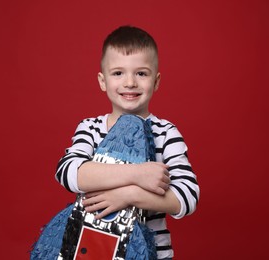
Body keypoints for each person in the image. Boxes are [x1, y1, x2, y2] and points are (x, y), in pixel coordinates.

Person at [55, 25, 199, 259]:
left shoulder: (166, 133)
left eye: (141, 73)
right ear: (102, 81)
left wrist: (129, 196)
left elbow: (187, 197)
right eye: (118, 73)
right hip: (93, 251)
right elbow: (69, 172)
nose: (130, 82)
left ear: (156, 81)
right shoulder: (90, 128)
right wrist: (137, 175)